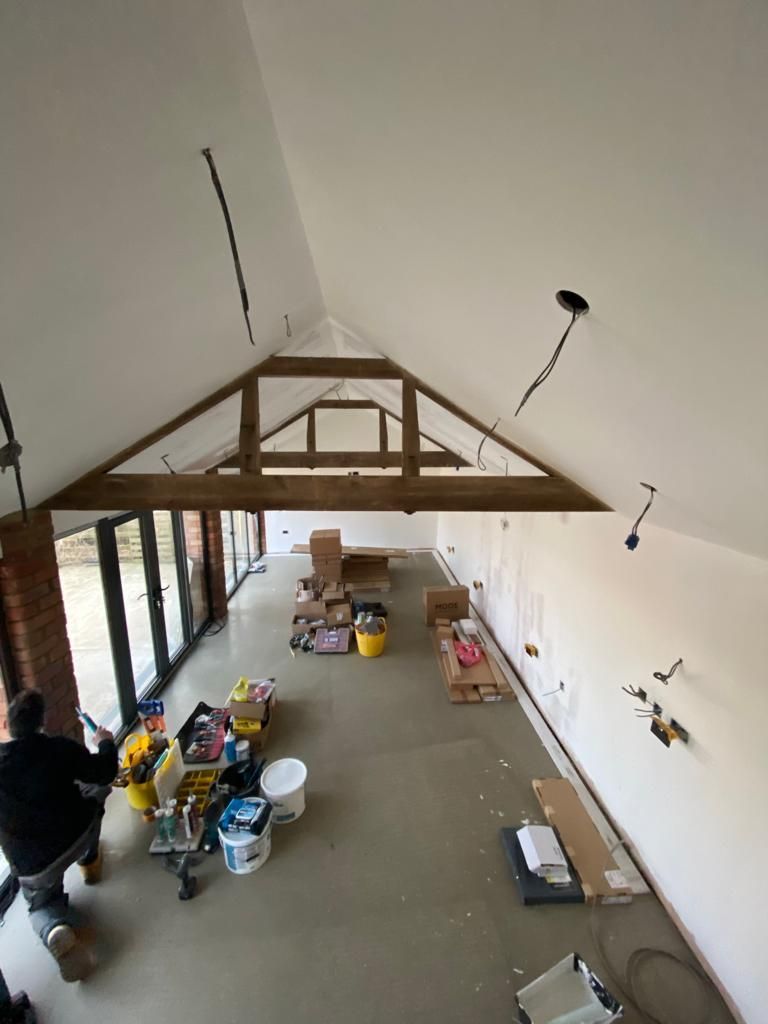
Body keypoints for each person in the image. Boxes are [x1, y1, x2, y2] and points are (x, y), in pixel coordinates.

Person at [0, 691, 117, 982]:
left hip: (35, 866)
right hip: (76, 835)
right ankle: (89, 857)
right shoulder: (59, 748)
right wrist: (105, 743)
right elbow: (105, 773)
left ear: (6, 725)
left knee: (40, 906)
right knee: (98, 791)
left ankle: (54, 928)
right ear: (43, 721)